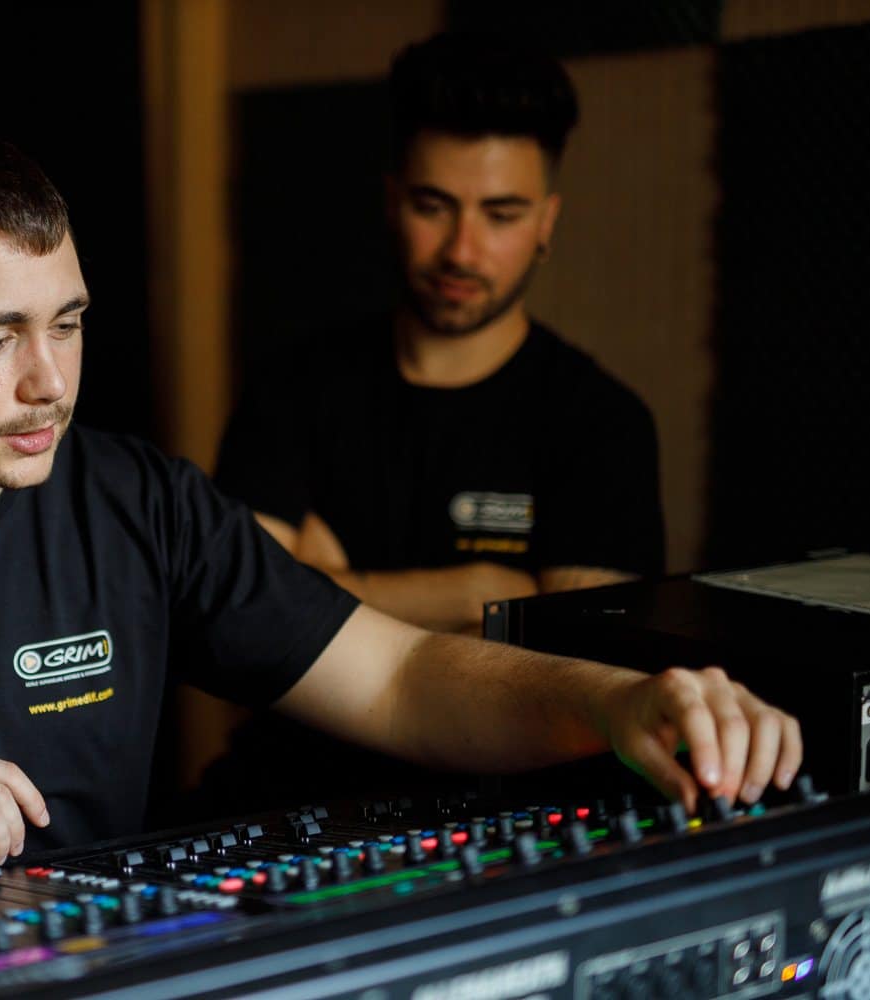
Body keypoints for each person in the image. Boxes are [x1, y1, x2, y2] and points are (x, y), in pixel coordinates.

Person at [0, 131, 801, 945]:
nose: (48, 382)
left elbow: (401, 676)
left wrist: (619, 702)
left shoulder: (133, 498)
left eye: (65, 324)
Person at [202, 33, 665, 807]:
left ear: (547, 222)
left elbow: (579, 666)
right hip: (287, 792)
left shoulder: (602, 423)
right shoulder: (293, 388)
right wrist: (486, 590)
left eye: (502, 213)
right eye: (433, 205)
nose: (462, 249)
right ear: (392, 199)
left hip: (508, 803)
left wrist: (327, 586)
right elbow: (237, 628)